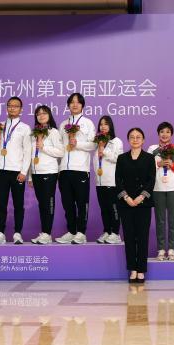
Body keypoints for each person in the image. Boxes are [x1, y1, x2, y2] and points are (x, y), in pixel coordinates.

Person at [115, 128, 156, 283]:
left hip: (143, 204)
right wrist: (126, 197)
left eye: (138, 137)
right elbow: (118, 180)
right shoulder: (122, 158)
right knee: (129, 237)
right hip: (126, 204)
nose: (135, 140)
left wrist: (141, 197)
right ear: (128, 140)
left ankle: (141, 270)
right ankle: (132, 269)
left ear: (143, 140)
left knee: (143, 236)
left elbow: (151, 180)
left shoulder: (149, 158)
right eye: (132, 137)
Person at [0, 96, 32, 245]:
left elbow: (28, 151)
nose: (12, 108)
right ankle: (0, 233)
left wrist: (24, 172)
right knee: (1, 204)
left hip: (17, 171)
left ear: (21, 109)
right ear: (6, 108)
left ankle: (17, 233)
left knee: (18, 204)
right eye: (10, 105)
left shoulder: (25, 128)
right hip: (1, 170)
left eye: (16, 106)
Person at [56, 93, 96, 244]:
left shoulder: (87, 123)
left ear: (82, 105)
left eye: (78, 102)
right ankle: (71, 231)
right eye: (72, 102)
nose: (75, 105)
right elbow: (59, 147)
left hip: (80, 169)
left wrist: (77, 144)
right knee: (67, 203)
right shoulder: (62, 125)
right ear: (68, 105)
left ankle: (81, 233)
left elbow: (93, 145)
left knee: (81, 202)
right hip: (64, 170)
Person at [26, 105, 64, 244]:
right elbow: (31, 155)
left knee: (48, 203)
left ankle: (47, 234)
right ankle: (44, 233)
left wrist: (44, 147)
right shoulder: (33, 133)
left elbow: (61, 152)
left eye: (44, 113)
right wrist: (30, 176)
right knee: (42, 204)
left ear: (49, 115)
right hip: (36, 173)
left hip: (49, 172)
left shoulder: (53, 132)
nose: (41, 116)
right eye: (38, 114)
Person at [150, 121, 174, 260]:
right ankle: (160, 250)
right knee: (160, 221)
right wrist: (157, 164)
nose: (164, 134)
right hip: (157, 188)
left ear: (171, 134)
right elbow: (146, 166)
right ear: (158, 133)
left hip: (173, 188)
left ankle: (171, 250)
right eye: (162, 132)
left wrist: (173, 165)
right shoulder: (152, 149)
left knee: (173, 220)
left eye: (168, 132)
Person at [93, 115, 123, 245]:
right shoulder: (98, 142)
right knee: (104, 209)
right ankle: (107, 231)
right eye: (101, 124)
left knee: (113, 208)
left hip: (112, 181)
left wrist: (104, 151)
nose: (103, 126)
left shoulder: (116, 141)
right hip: (100, 182)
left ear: (110, 126)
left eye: (106, 124)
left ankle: (115, 233)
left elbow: (119, 159)